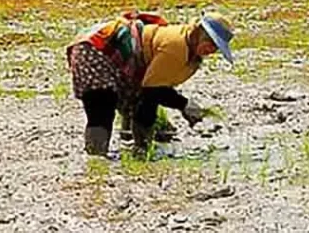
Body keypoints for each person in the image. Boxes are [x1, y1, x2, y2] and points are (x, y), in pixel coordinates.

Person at [66, 10, 235, 156]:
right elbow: (152, 89)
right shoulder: (176, 46)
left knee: (144, 112)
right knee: (102, 104)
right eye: (209, 42)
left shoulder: (191, 57)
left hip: (122, 61)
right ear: (197, 32)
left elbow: (150, 96)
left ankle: (136, 146)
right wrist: (184, 104)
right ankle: (96, 159)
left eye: (215, 47)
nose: (211, 49)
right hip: (95, 50)